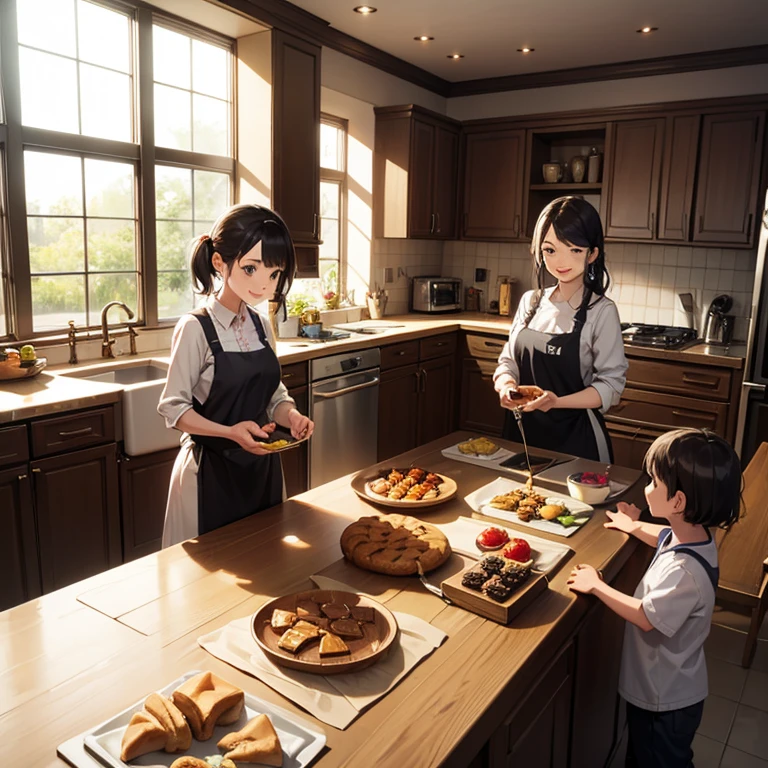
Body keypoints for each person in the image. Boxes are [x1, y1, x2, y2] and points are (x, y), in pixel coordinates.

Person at [567, 428, 742, 768]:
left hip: (665, 699)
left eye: (653, 481)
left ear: (678, 502)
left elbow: (646, 617)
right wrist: (633, 526)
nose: (646, 487)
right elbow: (663, 534)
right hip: (664, 687)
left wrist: (597, 585)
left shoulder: (683, 573)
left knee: (660, 760)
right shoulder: (694, 536)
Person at [158, 203, 314, 548]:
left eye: (273, 274)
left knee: (269, 560)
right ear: (219, 263)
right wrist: (230, 433)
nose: (263, 284)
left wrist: (292, 416)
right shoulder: (195, 328)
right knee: (210, 584)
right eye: (250, 269)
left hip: (261, 469)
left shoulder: (261, 325)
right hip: (209, 477)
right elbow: (173, 409)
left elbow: (273, 395)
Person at [493, 196, 627, 462]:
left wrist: (556, 401)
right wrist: (506, 386)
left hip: (577, 441)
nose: (560, 261)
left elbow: (611, 386)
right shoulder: (530, 302)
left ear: (592, 253)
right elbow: (507, 362)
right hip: (521, 435)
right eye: (550, 250)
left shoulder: (601, 311)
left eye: (575, 250)